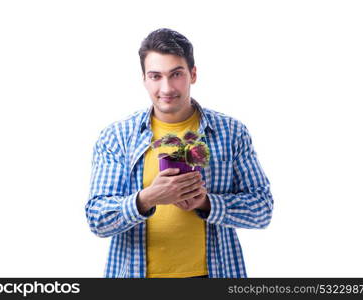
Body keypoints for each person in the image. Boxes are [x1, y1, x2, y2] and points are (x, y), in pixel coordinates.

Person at [85, 28, 274, 278]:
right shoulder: (117, 137)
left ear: (193, 74)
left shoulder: (231, 132)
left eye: (176, 74)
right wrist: (147, 199)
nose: (166, 87)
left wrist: (208, 203)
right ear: (144, 78)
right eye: (155, 76)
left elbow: (262, 209)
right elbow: (98, 218)